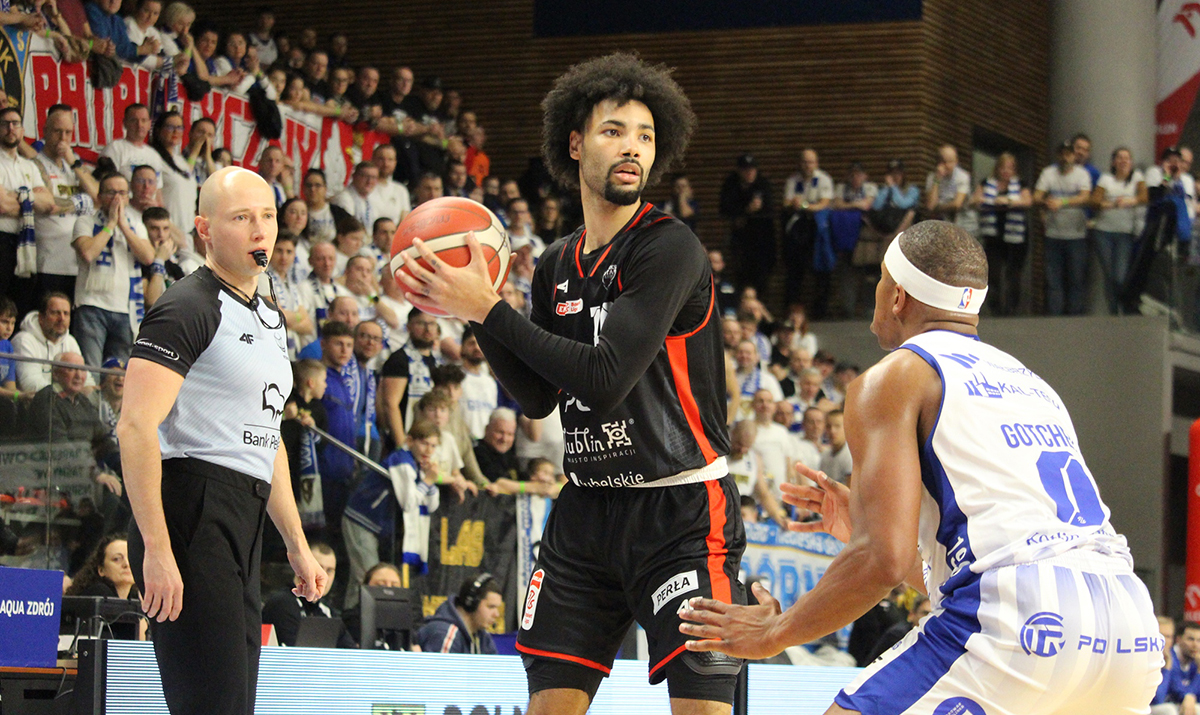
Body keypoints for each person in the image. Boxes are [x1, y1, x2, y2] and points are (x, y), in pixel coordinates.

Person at [679, 220, 1161, 715]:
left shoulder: (895, 376)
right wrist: (870, 530)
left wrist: (775, 632)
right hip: (1128, 625)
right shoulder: (1034, 385)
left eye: (880, 279)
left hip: (1021, 620)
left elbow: (881, 563)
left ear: (898, 296)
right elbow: (1002, 555)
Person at [396, 53, 744, 713]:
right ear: (576, 144)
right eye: (614, 131)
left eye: (645, 135)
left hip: (679, 512)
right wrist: (476, 310)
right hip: (585, 511)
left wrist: (488, 307)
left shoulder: (669, 247)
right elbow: (536, 397)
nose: (633, 147)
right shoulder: (556, 263)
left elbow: (605, 379)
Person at [119, 167, 326, 715]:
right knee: (211, 704)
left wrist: (297, 544)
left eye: (268, 216)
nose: (260, 229)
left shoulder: (271, 317)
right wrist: (157, 549)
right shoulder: (187, 305)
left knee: (233, 702)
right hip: (190, 509)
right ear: (205, 229)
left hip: (244, 514)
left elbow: (267, 436)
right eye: (242, 217)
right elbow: (134, 427)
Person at [1034, 141, 1093, 316]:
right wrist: (1046, 201)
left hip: (1076, 235)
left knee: (1076, 280)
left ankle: (1074, 318)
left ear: (1073, 156)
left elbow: (1085, 197)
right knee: (1054, 281)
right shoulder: (1048, 173)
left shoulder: (1082, 174)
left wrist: (1062, 202)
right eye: (1062, 154)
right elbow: (1036, 196)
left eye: (1068, 154)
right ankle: (1055, 319)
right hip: (1053, 234)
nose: (1065, 157)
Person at [260, 542, 355, 648]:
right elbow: (293, 653)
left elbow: (351, 651)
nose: (324, 576)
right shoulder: (281, 604)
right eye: (319, 568)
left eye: (329, 571)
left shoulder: (327, 611)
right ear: (300, 567)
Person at [972, 152, 1030, 316]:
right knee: (994, 274)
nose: (1006, 171)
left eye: (1010, 168)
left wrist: (1009, 201)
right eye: (1003, 167)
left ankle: (1011, 309)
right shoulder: (986, 183)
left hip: (1016, 238)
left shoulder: (1021, 184)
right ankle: (995, 309)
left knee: (1013, 274)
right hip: (993, 237)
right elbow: (974, 200)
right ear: (997, 168)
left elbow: (1028, 201)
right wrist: (986, 201)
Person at [414, 573, 501, 654]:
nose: (496, 614)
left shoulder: (482, 636)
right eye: (491, 607)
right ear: (472, 604)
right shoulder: (445, 634)